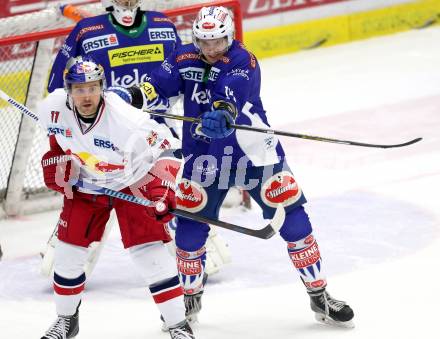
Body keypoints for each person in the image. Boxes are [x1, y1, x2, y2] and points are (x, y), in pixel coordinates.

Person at [137, 6, 355, 328]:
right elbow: (158, 84)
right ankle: (190, 296)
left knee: (294, 220)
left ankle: (319, 294)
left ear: (230, 36)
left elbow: (231, 94)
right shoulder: (183, 58)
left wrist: (223, 114)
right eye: (204, 41)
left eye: (217, 41)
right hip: (205, 157)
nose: (210, 49)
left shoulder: (244, 60)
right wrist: (129, 97)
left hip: (254, 155)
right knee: (189, 230)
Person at [37, 55, 195, 339]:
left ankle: (178, 326)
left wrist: (162, 190)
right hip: (86, 188)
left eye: (93, 87)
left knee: (150, 256)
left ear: (102, 87)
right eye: (79, 89)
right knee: (67, 254)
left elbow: (170, 150)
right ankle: (65, 321)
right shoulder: (53, 107)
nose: (87, 95)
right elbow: (58, 141)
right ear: (68, 90)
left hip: (132, 182)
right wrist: (55, 162)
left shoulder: (127, 119)